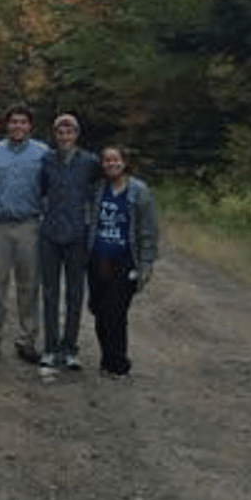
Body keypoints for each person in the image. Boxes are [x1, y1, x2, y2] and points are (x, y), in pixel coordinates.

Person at [0, 104, 50, 363]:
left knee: (29, 285)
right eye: (13, 122)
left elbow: (50, 187)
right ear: (7, 125)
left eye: (23, 122)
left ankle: (27, 340)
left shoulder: (42, 152)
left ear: (30, 126)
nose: (18, 126)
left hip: (29, 225)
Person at [38, 113, 101, 370]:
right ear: (55, 135)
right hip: (50, 234)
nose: (65, 136)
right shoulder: (47, 159)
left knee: (75, 294)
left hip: (77, 234)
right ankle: (50, 347)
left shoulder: (90, 161)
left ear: (76, 134)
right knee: (50, 293)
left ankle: (70, 348)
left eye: (69, 132)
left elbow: (98, 190)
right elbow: (42, 190)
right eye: (60, 132)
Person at [88, 144, 157, 377]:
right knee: (99, 310)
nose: (111, 164)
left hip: (124, 261)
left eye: (116, 159)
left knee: (116, 312)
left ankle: (118, 364)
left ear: (125, 162)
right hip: (98, 259)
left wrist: (146, 264)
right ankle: (106, 359)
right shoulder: (98, 189)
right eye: (107, 160)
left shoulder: (139, 191)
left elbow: (148, 231)